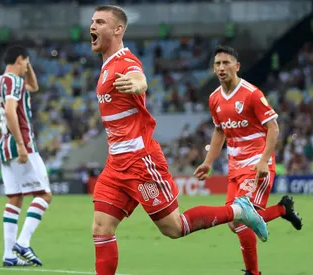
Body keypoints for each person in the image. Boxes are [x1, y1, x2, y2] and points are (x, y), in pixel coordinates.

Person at [89, 6, 268, 275]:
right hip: (116, 164)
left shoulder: (125, 62)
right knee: (101, 229)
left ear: (118, 30)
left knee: (174, 227)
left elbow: (139, 77)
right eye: (92, 21)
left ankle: (238, 210)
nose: (93, 26)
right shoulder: (106, 65)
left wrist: (139, 85)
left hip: (140, 162)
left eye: (100, 22)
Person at [194, 45, 303, 275]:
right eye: (217, 64)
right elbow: (219, 131)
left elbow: (273, 127)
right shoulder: (214, 98)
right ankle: (283, 209)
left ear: (237, 66)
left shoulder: (251, 93)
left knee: (238, 220)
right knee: (235, 223)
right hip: (234, 167)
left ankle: (253, 272)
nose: (221, 67)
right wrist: (208, 162)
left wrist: (264, 160)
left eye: (226, 63)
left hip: (256, 165)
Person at [0, 45, 52, 267]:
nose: (28, 66)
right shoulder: (14, 82)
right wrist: (21, 144)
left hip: (3, 146)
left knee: (15, 199)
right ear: (20, 59)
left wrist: (27, 68)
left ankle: (9, 255)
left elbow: (34, 86)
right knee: (44, 195)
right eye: (26, 62)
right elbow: (10, 111)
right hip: (21, 143)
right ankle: (23, 242)